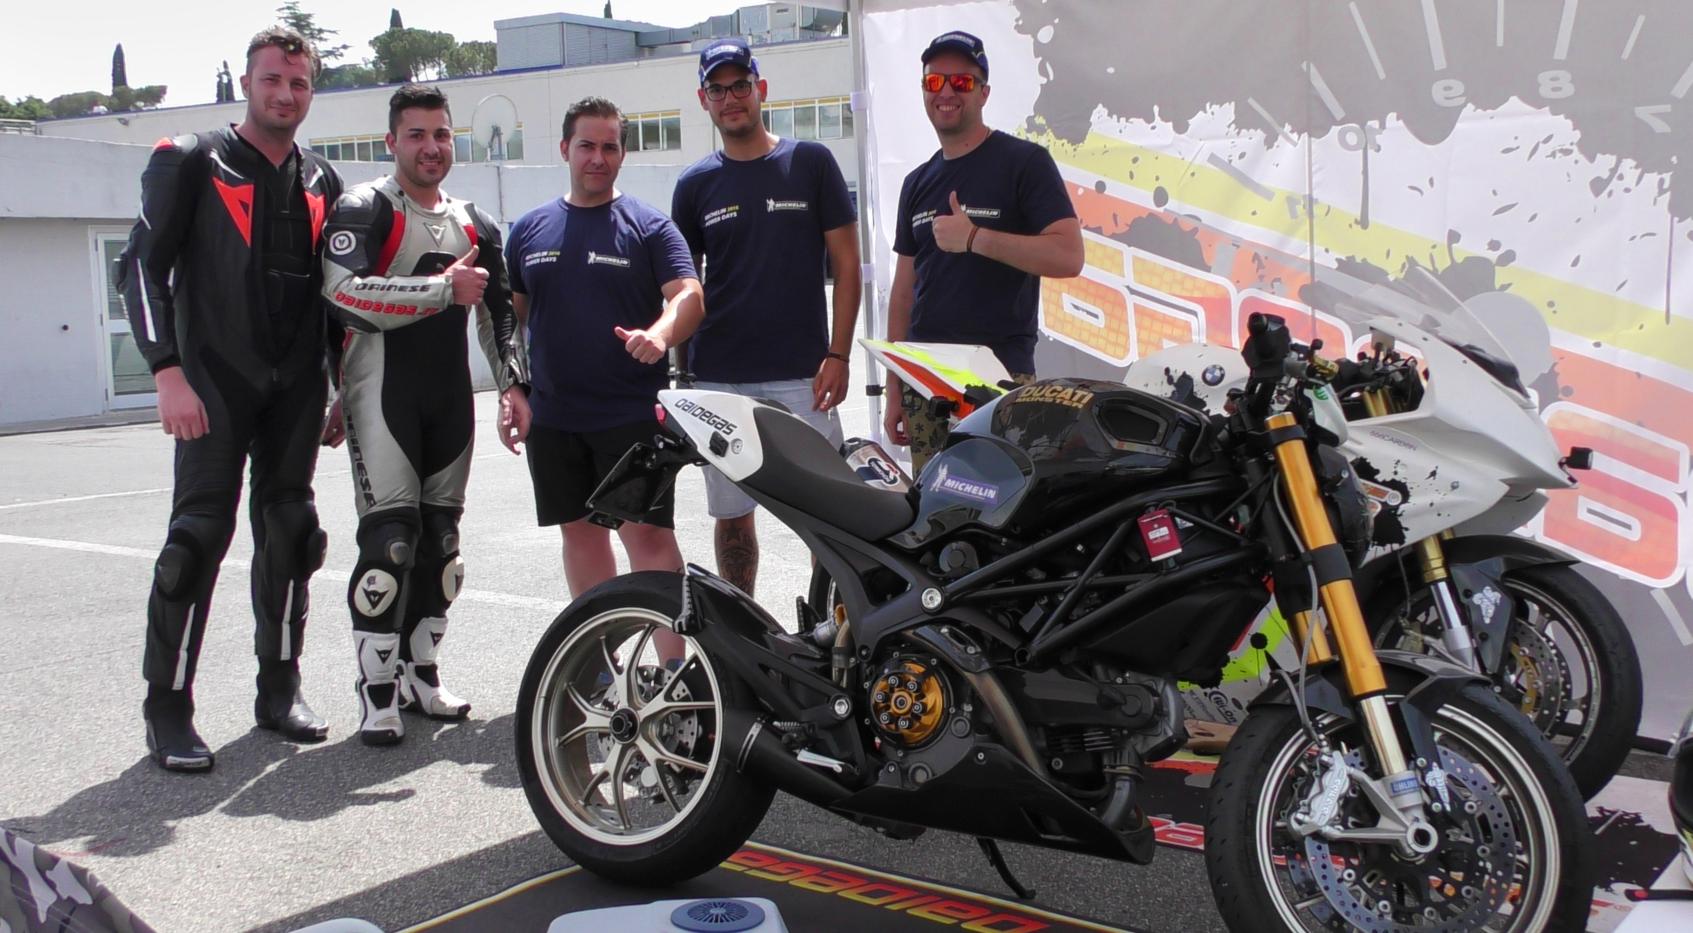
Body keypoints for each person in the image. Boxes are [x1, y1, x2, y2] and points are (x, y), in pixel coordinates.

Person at [117, 26, 343, 772]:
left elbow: (334, 296)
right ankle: (167, 707)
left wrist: (339, 387)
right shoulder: (189, 158)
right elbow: (139, 270)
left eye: (299, 83)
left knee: (292, 531)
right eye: (272, 79)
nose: (285, 93)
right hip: (211, 382)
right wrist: (166, 371)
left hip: (296, 387)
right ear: (246, 84)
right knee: (195, 541)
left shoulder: (322, 179)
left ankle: (279, 690)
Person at [319, 85, 529, 745]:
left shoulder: (475, 222)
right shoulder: (366, 207)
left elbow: (499, 314)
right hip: (380, 397)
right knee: (390, 545)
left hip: (447, 403)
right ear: (392, 142)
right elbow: (342, 294)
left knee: (442, 548)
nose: (431, 147)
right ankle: (376, 691)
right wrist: (441, 290)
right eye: (416, 134)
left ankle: (422, 675)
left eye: (440, 134)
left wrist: (512, 387)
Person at [671, 38, 861, 596]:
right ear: (703, 101)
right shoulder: (694, 185)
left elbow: (847, 267)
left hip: (805, 376)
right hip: (719, 377)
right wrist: (684, 377)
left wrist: (839, 354)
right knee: (733, 521)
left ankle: (832, 630)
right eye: (717, 89)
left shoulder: (811, 163)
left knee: (829, 519)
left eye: (740, 86)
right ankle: (743, 632)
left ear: (761, 89)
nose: (731, 98)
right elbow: (684, 288)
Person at [504, 96, 704, 602]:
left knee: (649, 538)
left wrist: (660, 334)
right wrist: (514, 388)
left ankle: (673, 650)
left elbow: (690, 295)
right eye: (586, 146)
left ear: (622, 154)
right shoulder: (528, 230)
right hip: (554, 420)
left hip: (630, 419)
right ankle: (595, 648)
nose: (598, 158)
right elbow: (512, 321)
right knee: (581, 535)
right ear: (565, 149)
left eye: (609, 147)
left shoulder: (649, 226)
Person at [882, 30, 1084, 472]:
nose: (946, 92)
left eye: (961, 81)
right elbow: (903, 293)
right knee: (933, 505)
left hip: (998, 380)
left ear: (984, 93)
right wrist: (895, 387)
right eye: (934, 82)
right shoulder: (916, 182)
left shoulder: (1024, 162)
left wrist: (975, 238)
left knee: (1005, 503)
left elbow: (1069, 256)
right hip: (926, 382)